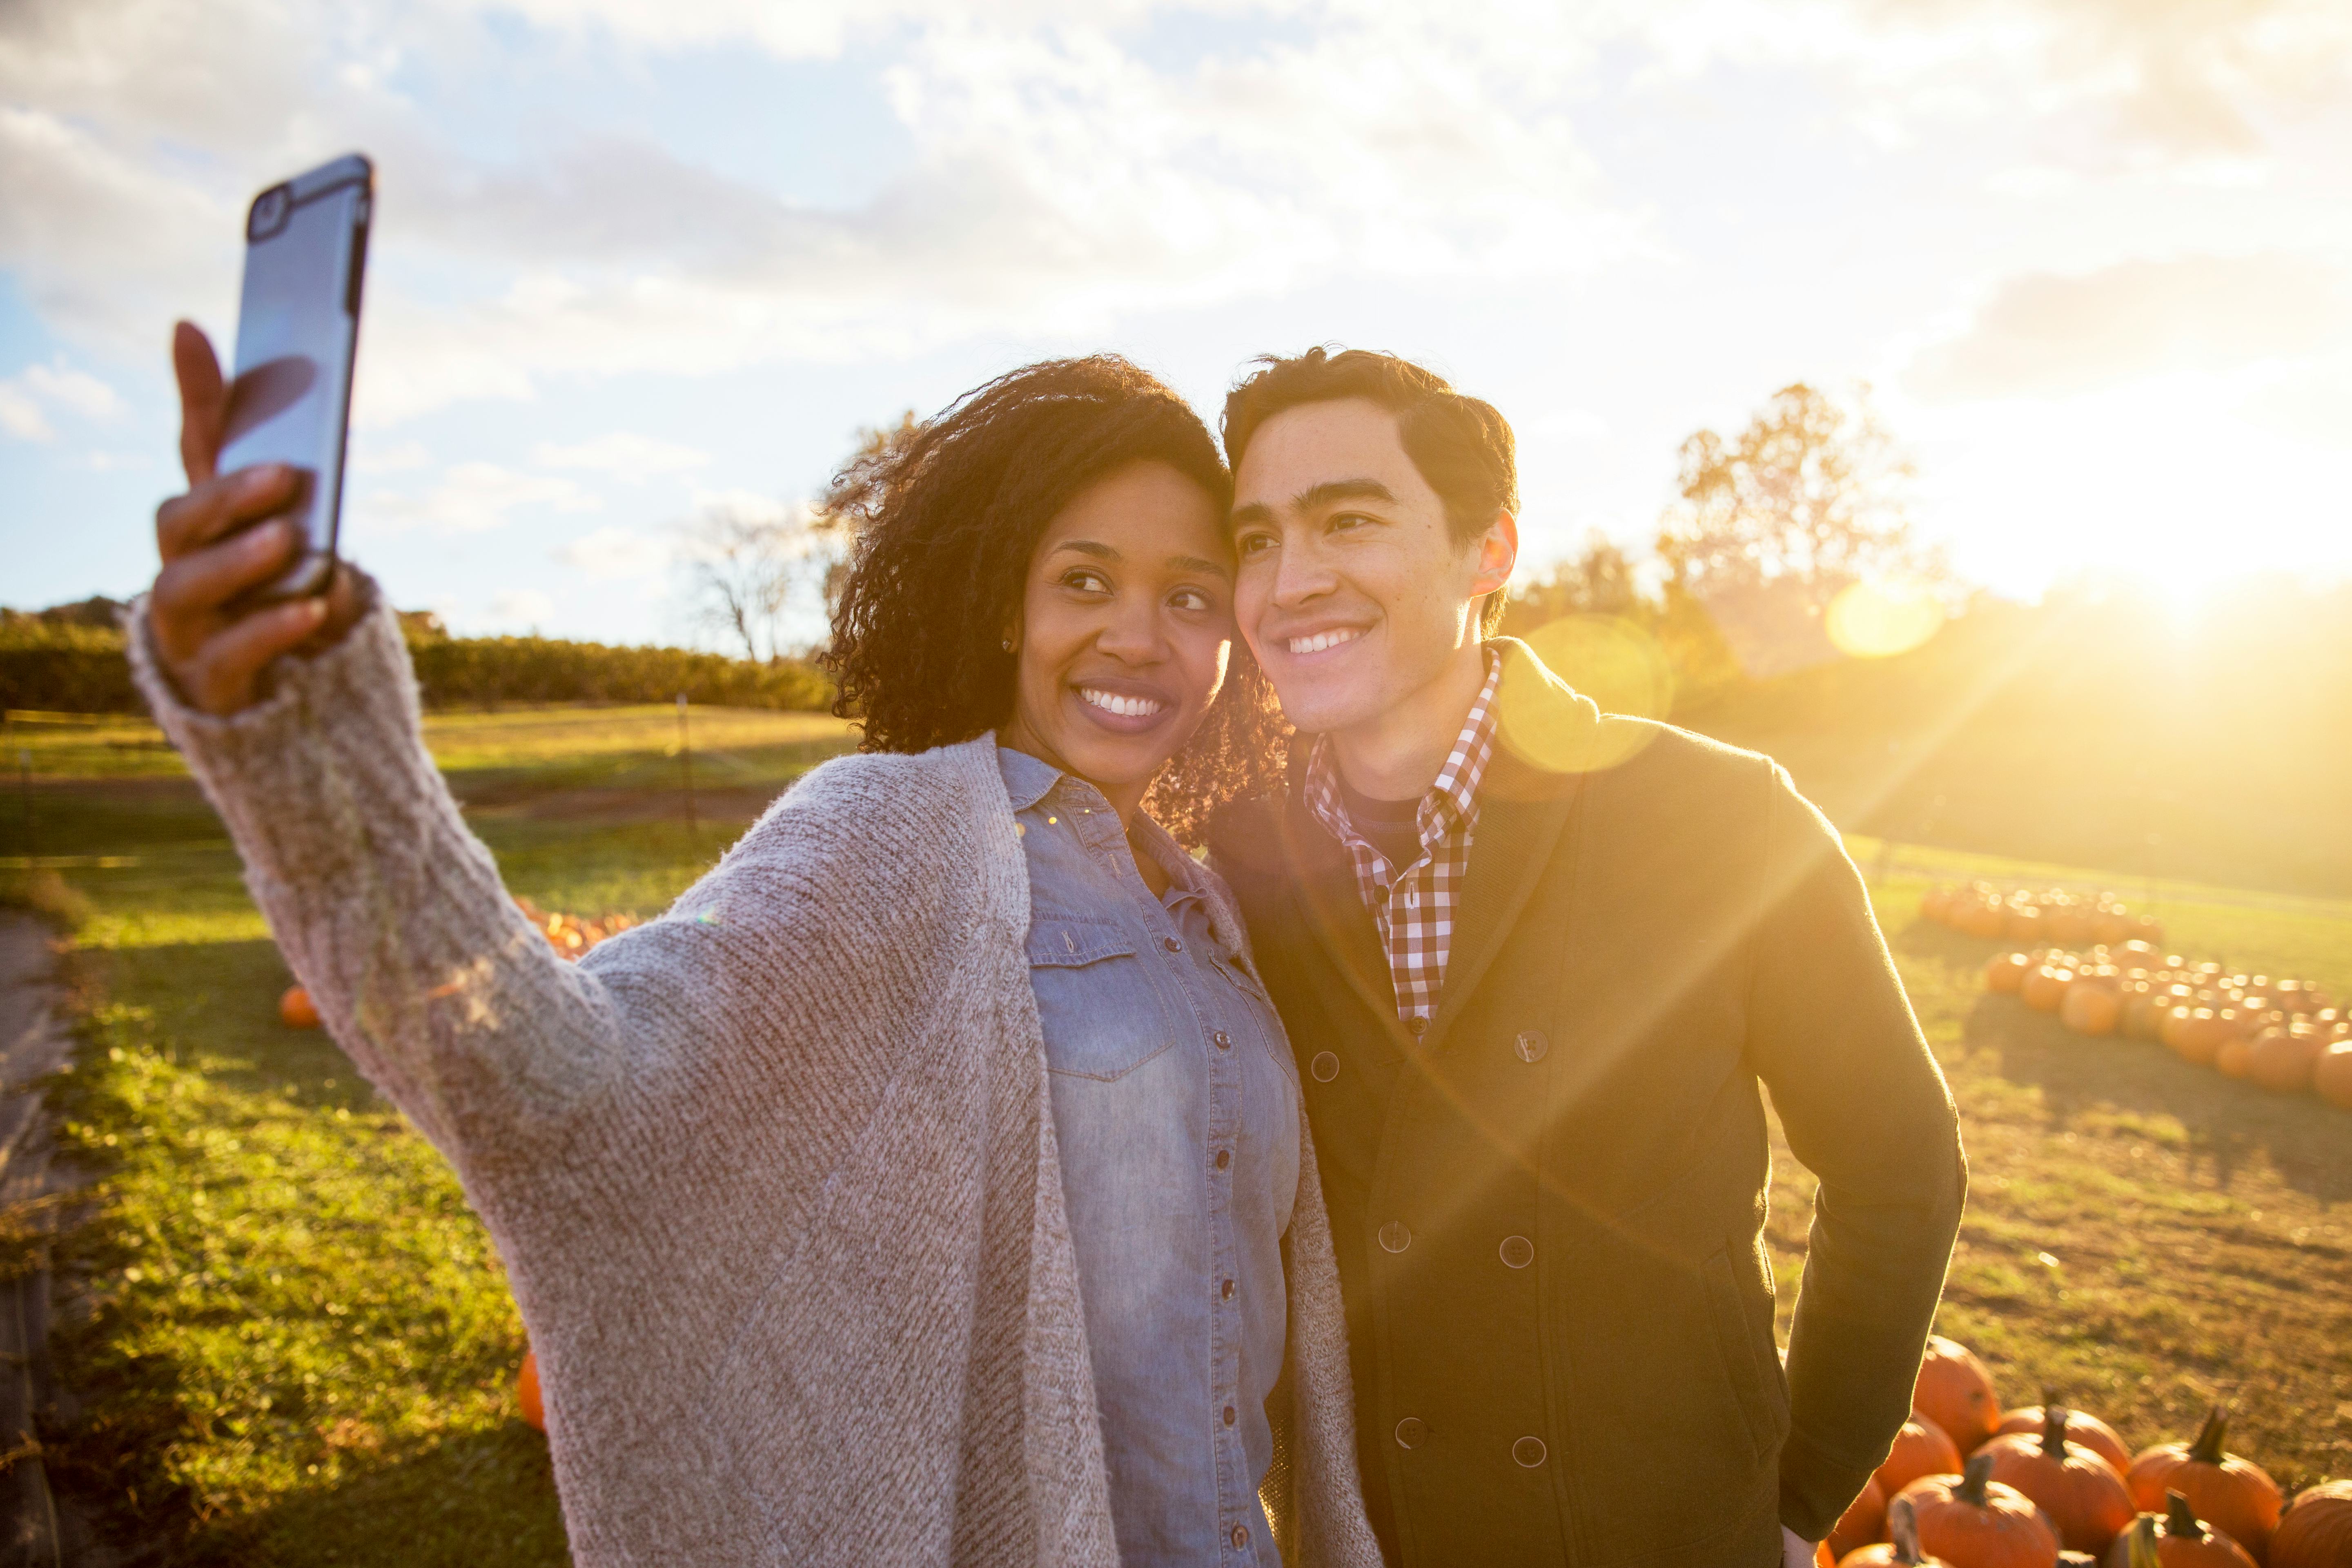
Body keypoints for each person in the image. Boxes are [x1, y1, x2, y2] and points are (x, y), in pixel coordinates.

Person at [135, 327, 1382, 1567]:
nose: (1139, 638)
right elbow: (551, 1082)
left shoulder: (1204, 904)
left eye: (1191, 596)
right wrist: (306, 738)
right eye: (1085, 582)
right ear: (1006, 606)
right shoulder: (897, 835)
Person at [1205, 347, 1967, 1568]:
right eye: (1255, 539)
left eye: (1350, 520)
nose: (1291, 581)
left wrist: (1799, 1491)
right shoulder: (1236, 858)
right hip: (1377, 1539)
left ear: (1489, 549)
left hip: (1668, 1527)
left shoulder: (1720, 819)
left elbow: (1899, 1164)